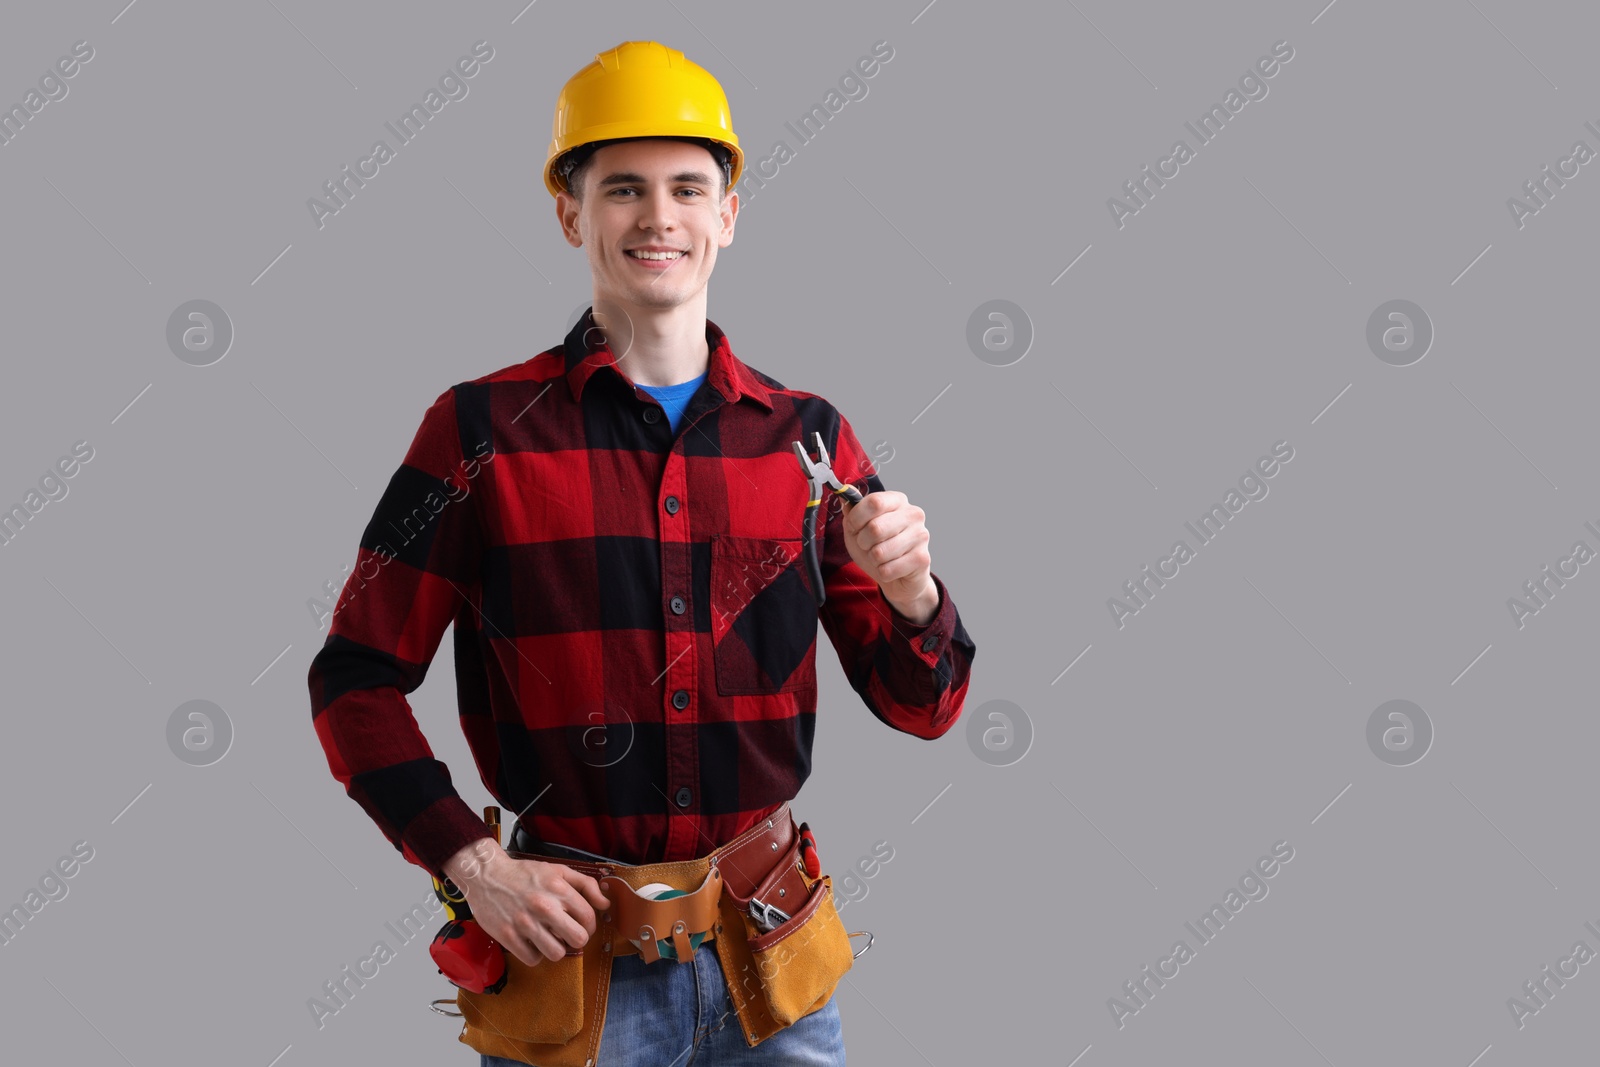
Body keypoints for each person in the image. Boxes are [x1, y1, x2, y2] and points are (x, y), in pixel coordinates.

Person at [306, 40, 976, 1065]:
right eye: (622, 188)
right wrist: (473, 863)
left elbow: (920, 707)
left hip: (772, 965)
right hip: (574, 974)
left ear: (728, 216)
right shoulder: (476, 429)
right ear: (571, 213)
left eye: (686, 188)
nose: (657, 217)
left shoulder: (809, 439)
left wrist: (915, 592)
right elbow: (353, 677)